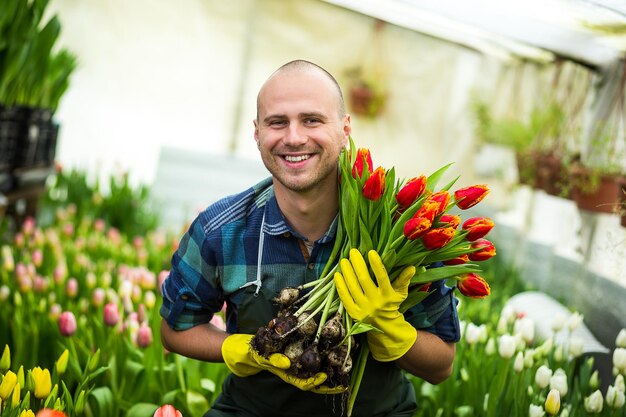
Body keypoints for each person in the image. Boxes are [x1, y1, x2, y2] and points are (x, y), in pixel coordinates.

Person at [159, 59, 460, 417]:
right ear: (257, 133)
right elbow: (175, 329)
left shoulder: (402, 233)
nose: (294, 137)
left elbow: (442, 366)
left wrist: (390, 327)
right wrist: (238, 349)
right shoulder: (220, 230)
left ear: (345, 129)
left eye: (312, 120)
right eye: (277, 122)